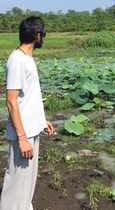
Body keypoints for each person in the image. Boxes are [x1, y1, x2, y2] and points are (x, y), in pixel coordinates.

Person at [0, 16, 53, 210]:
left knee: (25, 185)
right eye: (43, 34)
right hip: (23, 133)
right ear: (38, 36)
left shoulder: (26, 59)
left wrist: (42, 120)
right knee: (16, 184)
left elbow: (28, 97)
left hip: (31, 129)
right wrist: (22, 138)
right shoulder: (17, 61)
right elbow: (11, 102)